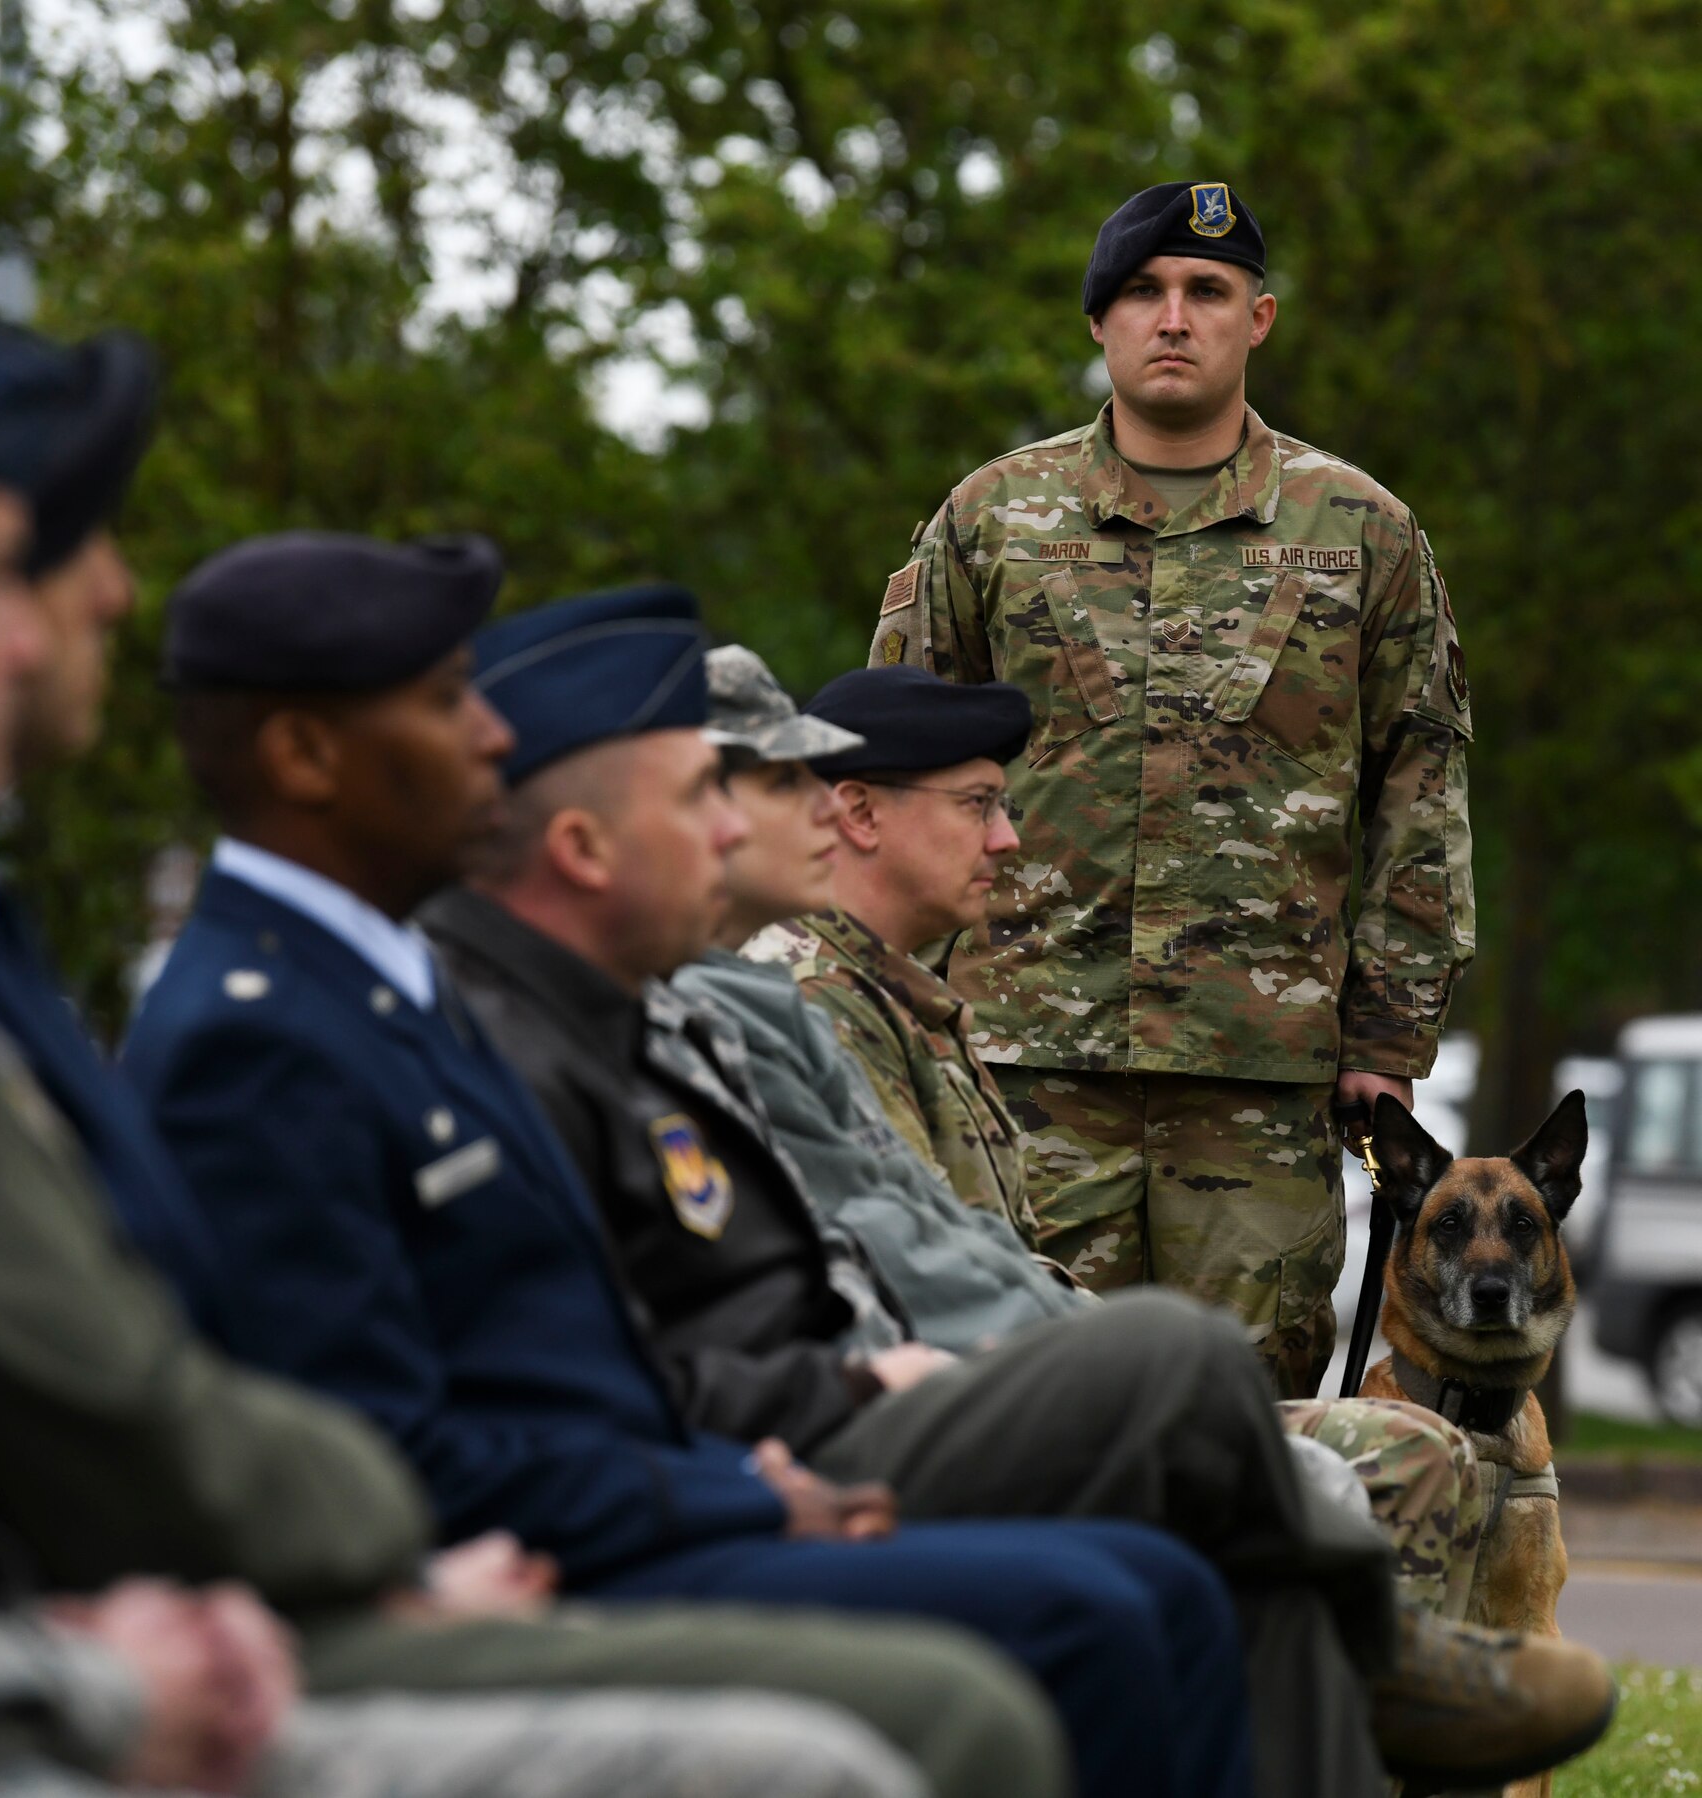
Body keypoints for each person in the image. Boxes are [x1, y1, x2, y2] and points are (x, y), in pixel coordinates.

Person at [0, 265, 1067, 1798]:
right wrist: (522, 1524)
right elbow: (67, 1419)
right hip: (160, 1632)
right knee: (948, 1702)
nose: (491, 735)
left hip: (303, 1573)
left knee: (1128, 1533)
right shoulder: (204, 1014)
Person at [420, 591, 1608, 1795]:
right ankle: (1383, 1652)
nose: (1009, 840)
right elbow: (785, 1283)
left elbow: (872, 1241)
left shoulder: (707, 1010)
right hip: (803, 1427)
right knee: (1177, 1387)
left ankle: (1372, 1665)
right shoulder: (701, 1007)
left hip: (839, 1395)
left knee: (1209, 1470)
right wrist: (831, 1403)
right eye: (722, 797)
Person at [127, 545, 1264, 1798]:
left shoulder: (385, 986)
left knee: (1145, 1587)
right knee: (1070, 1624)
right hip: (554, 1553)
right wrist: (726, 1494)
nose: (490, 731)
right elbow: (382, 1443)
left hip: (650, 1488)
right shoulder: (263, 1030)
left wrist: (724, 1478)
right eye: (448, 699)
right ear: (303, 758)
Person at [708, 651, 1486, 1625]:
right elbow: (910, 1273)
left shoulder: (896, 996)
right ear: (862, 813)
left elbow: (972, 1253)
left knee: (1398, 1444)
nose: (1006, 840)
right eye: (977, 804)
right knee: (1393, 1459)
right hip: (939, 1411)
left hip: (985, 1382)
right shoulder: (816, 1000)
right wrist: (1123, 1366)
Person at [874, 181, 1474, 1397]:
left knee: (1237, 1421)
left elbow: (1419, 780)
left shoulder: (1359, 530)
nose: (1172, 316)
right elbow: (888, 764)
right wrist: (892, 999)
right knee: (1015, 1400)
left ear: (1257, 319)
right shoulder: (992, 521)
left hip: (1255, 1078)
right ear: (1097, 324)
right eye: (1140, 292)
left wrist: (1388, 1032)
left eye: (1205, 291)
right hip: (1023, 1056)